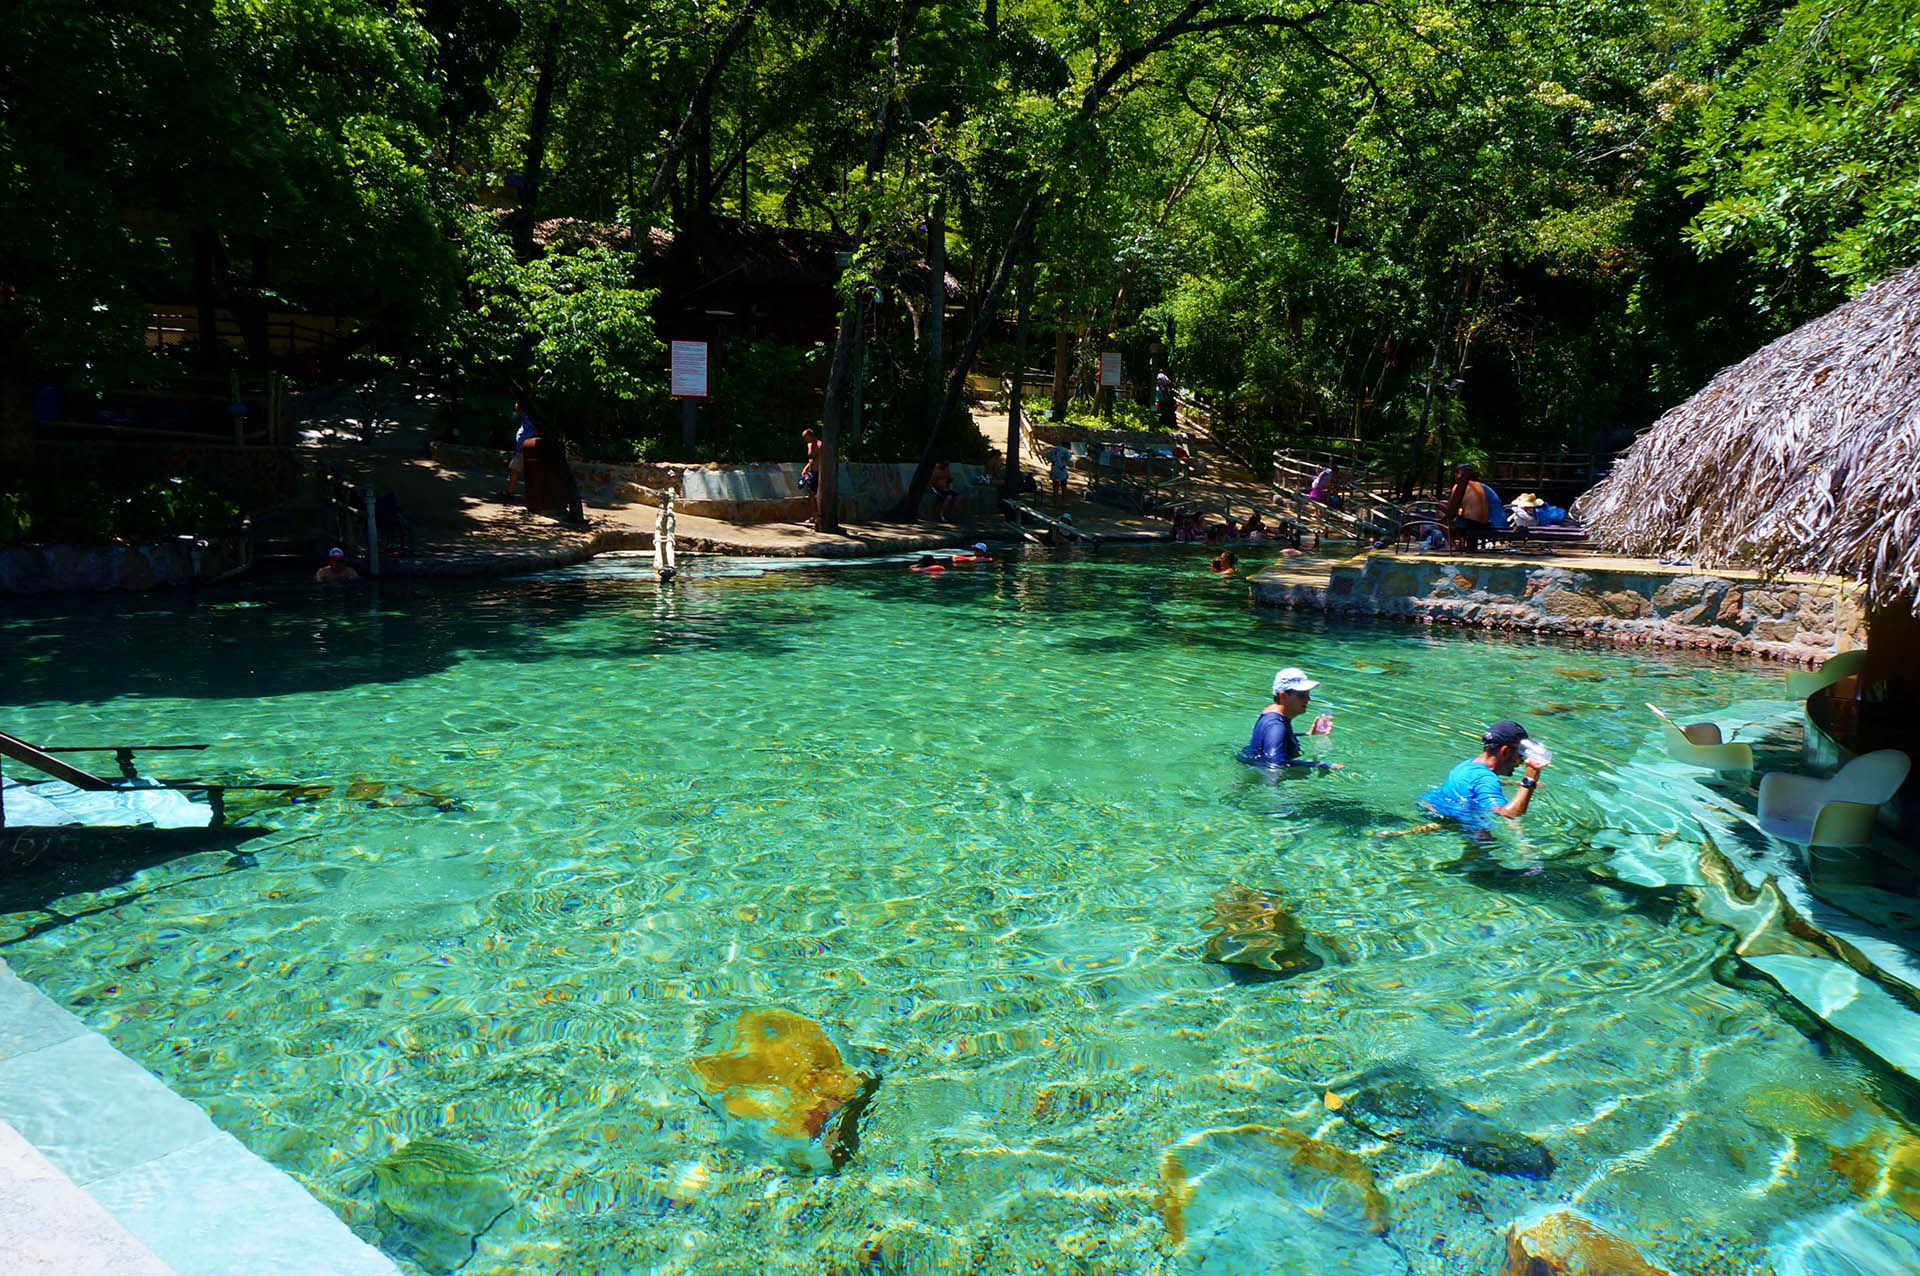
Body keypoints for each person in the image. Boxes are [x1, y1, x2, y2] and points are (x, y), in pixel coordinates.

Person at [1419, 719, 1544, 828]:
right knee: (1490, 842)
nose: (1521, 762)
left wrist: (1514, 784)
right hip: (1456, 821)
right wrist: (1529, 781)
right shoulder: (1486, 780)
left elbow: (1475, 785)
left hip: (1430, 806)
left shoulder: (1468, 765)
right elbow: (1508, 814)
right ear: (1505, 751)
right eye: (1520, 755)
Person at [1238, 668, 1340, 769]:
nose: (1308, 699)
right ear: (1283, 696)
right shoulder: (1276, 726)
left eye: (1307, 694)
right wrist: (1322, 765)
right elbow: (1274, 763)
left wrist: (1308, 734)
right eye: (1301, 695)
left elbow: (1278, 739)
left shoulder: (1271, 715)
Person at [1441, 463, 1509, 551]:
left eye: (1457, 472)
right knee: (1462, 517)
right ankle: (1463, 544)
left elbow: (1451, 512)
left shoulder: (1459, 486)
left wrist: (1438, 505)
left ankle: (1453, 545)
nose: (1455, 475)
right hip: (1490, 524)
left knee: (1440, 515)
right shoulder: (1481, 486)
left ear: (1461, 474)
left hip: (1472, 525)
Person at [503, 400, 539, 499]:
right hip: (522, 449)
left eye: (517, 404)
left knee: (516, 468)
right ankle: (510, 491)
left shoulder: (530, 417)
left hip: (527, 448)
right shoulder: (524, 416)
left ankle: (530, 495)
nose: (515, 405)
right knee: (514, 468)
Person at [799, 428, 822, 516]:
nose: (805, 440)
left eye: (806, 437)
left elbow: (822, 459)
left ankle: (820, 514)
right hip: (811, 472)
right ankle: (814, 514)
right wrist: (805, 469)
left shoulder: (820, 445)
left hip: (819, 472)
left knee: (819, 494)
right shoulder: (809, 445)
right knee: (811, 493)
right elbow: (811, 459)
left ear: (811, 436)